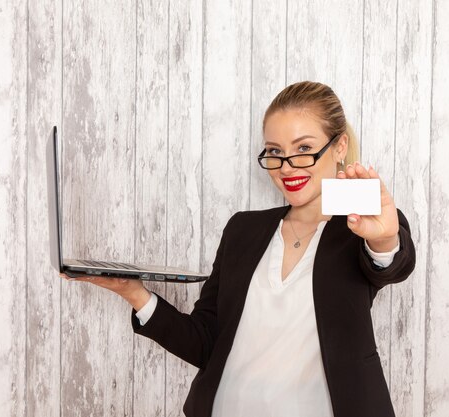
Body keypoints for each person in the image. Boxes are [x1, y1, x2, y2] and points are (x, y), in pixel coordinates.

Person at [62, 81, 416, 417]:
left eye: (304, 149)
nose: (287, 166)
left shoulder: (361, 227)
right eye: (276, 152)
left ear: (338, 147)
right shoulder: (244, 230)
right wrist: (135, 294)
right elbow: (206, 341)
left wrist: (383, 239)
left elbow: (390, 261)